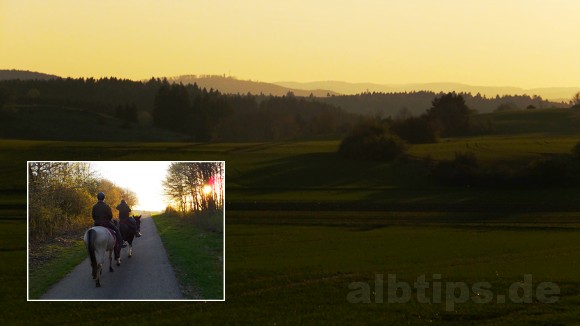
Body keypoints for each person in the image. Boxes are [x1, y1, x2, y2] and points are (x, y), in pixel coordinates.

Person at [92, 192, 126, 261]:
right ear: (104, 198)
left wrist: (97, 220)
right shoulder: (106, 206)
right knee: (116, 229)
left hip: (97, 223)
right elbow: (110, 216)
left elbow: (93, 216)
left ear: (97, 198)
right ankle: (121, 242)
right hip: (106, 223)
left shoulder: (94, 206)